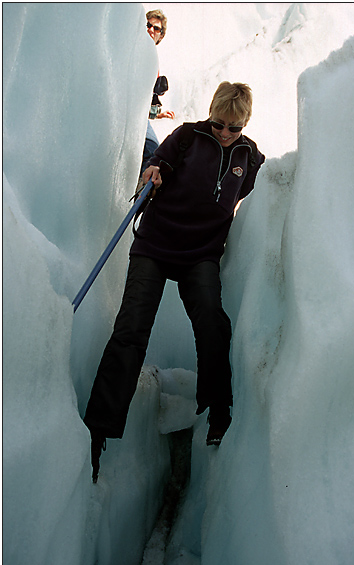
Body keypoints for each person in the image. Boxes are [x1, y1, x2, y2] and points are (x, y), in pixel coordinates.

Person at [84, 82, 265, 482]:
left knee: (212, 324)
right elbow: (159, 163)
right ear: (211, 114)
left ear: (245, 124)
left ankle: (218, 411)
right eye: (219, 123)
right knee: (130, 332)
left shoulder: (249, 156)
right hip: (157, 243)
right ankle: (98, 430)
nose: (224, 132)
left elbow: (261, 193)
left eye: (233, 127)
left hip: (201, 253)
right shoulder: (187, 136)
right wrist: (153, 171)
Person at [140, 10, 175, 177]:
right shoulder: (131, 51)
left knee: (154, 155)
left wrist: (157, 114)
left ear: (160, 36)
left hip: (139, 119)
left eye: (156, 28)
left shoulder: (152, 60)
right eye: (148, 25)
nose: (151, 30)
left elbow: (144, 103)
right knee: (153, 154)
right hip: (129, 118)